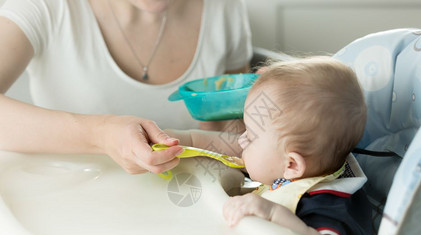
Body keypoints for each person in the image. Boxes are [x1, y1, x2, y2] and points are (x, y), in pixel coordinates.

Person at [0, 0, 252, 175]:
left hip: (192, 201)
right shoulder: (42, 6)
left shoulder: (226, 6)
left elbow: (235, 127)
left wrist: (266, 107)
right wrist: (101, 134)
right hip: (71, 202)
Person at [220, 57, 373, 235]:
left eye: (252, 136)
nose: (241, 140)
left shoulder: (331, 203)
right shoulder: (292, 172)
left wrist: (272, 212)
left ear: (292, 165)